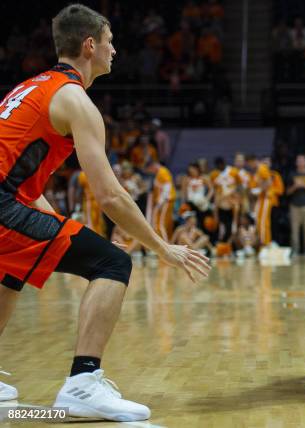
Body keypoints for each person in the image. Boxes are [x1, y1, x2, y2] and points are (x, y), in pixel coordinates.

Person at [0, 5, 210, 421]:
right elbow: (110, 196)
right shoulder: (75, 99)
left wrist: (61, 223)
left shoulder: (33, 86)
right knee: (111, 261)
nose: (114, 51)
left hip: (7, 203)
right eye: (110, 43)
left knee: (11, 267)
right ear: (90, 45)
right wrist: (162, 247)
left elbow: (24, 187)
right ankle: (82, 383)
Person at [146, 160, 176, 242]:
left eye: (150, 170)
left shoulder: (162, 171)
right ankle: (165, 244)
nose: (151, 172)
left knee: (160, 224)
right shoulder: (160, 173)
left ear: (152, 166)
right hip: (164, 200)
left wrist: (161, 202)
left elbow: (167, 186)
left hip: (166, 200)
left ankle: (166, 246)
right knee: (162, 224)